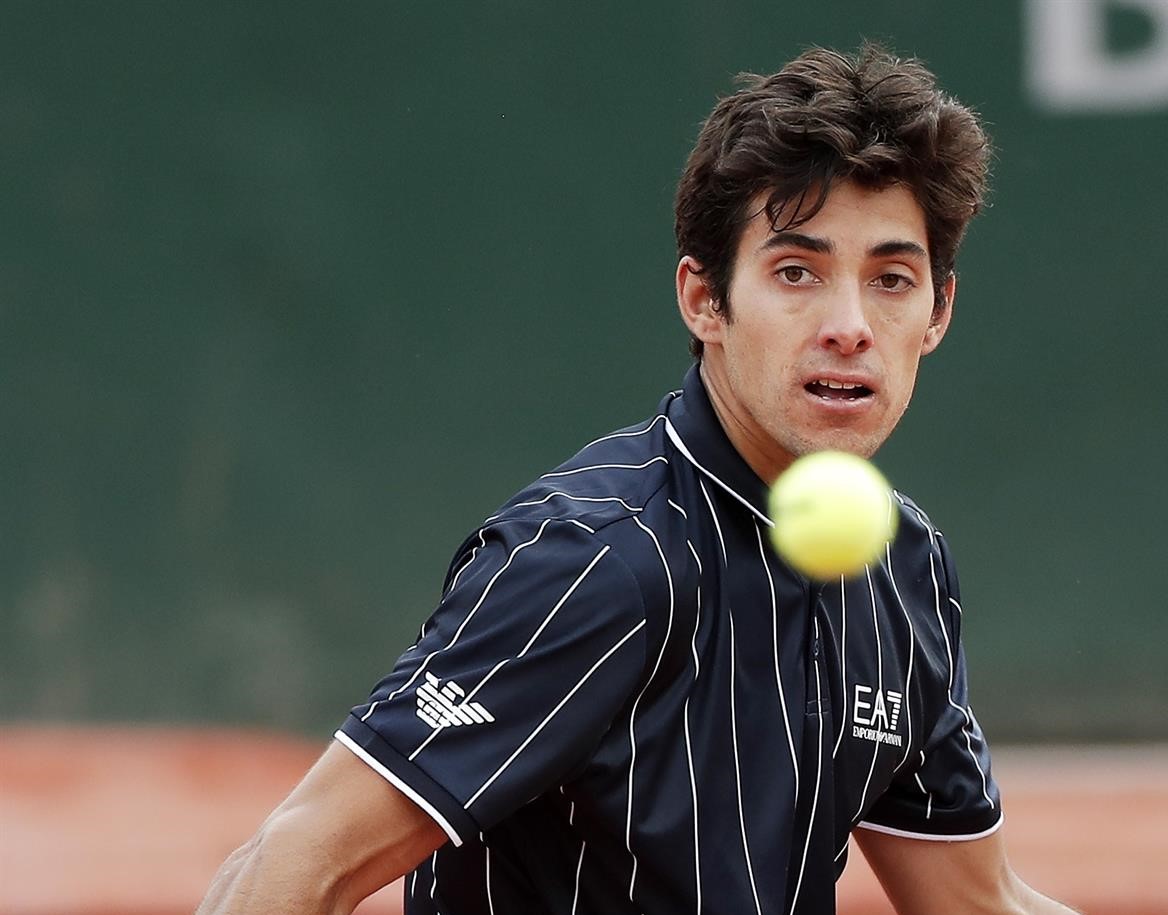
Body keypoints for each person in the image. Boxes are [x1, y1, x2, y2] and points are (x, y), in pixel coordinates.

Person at [198, 44, 1080, 915]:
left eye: (892, 279)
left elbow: (978, 901)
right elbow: (292, 864)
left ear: (939, 312)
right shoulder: (599, 563)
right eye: (796, 272)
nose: (850, 325)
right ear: (705, 300)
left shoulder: (906, 573)